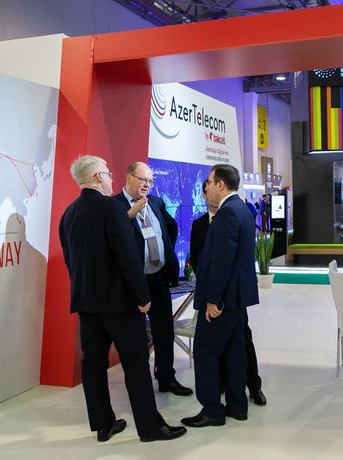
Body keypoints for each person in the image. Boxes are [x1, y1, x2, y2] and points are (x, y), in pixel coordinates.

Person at [58, 155, 186, 443]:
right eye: (107, 173)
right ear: (97, 177)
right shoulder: (112, 208)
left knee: (93, 363)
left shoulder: (69, 213)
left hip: (86, 303)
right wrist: (142, 296)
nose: (111, 177)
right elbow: (127, 257)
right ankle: (150, 428)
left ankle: (103, 425)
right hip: (119, 303)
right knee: (136, 362)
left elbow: (71, 261)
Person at [181, 164, 259, 428]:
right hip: (237, 296)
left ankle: (212, 410)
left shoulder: (227, 213)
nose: (207, 186)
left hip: (223, 299)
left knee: (205, 350)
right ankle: (237, 405)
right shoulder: (242, 209)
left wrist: (213, 300)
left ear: (221, 184)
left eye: (210, 181)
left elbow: (222, 261)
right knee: (235, 350)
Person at [114, 162, 193, 397]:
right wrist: (129, 216)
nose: (147, 185)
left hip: (157, 278)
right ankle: (140, 385)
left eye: (150, 181)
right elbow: (112, 238)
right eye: (142, 179)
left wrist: (165, 251)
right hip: (133, 282)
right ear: (129, 178)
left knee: (164, 329)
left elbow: (170, 227)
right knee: (136, 333)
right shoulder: (114, 206)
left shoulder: (156, 203)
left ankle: (166, 377)